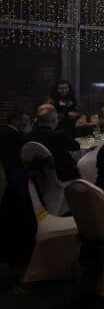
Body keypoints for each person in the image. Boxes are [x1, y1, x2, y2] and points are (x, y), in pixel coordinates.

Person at [0, 109, 35, 270]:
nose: (26, 123)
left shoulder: (6, 132)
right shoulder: (13, 136)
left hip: (11, 178)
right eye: (24, 120)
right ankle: (19, 254)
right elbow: (25, 153)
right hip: (16, 180)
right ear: (15, 119)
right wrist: (28, 134)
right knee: (18, 215)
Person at [29, 109, 81, 181]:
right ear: (54, 120)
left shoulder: (29, 136)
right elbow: (76, 146)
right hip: (62, 175)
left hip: (39, 178)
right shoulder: (58, 135)